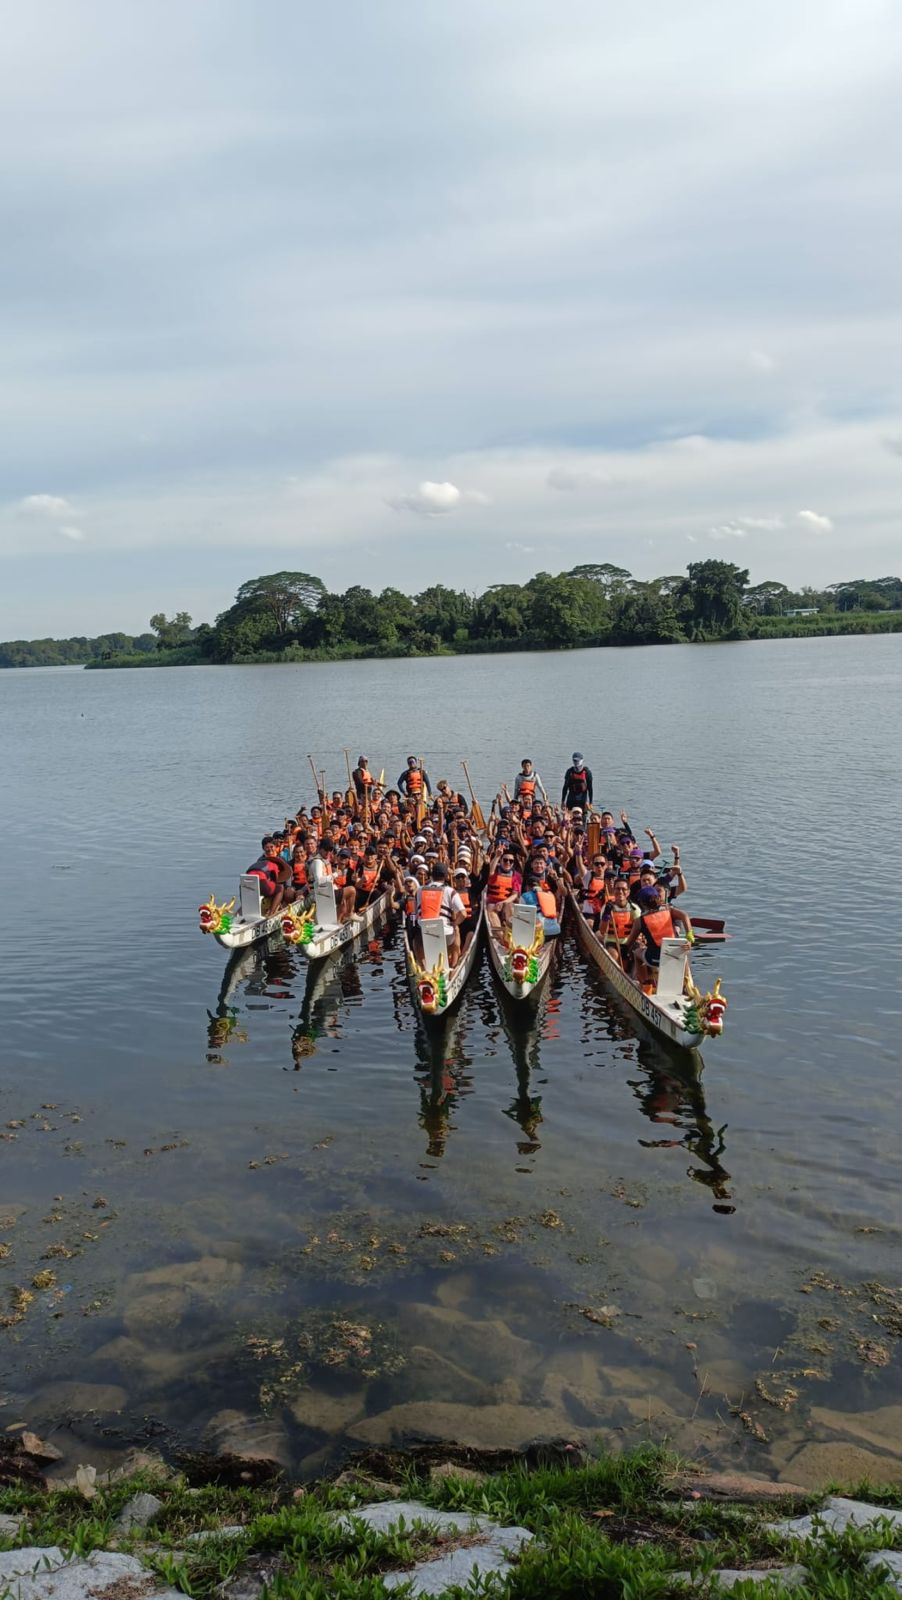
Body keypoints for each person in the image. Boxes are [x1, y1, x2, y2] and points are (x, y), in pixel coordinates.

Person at [623, 884, 692, 987]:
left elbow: (629, 943)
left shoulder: (640, 921)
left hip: (654, 959)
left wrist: (623, 951)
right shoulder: (669, 910)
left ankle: (645, 984)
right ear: (658, 898)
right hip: (675, 954)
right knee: (683, 954)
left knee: (637, 953)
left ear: (642, 903)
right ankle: (686, 985)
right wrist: (689, 938)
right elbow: (685, 916)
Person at [416, 862, 465, 967]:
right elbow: (463, 914)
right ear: (446, 876)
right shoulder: (450, 891)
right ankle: (454, 965)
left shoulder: (419, 890)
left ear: (431, 876)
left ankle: (423, 966)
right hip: (444, 932)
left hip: (424, 931)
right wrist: (455, 923)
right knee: (456, 930)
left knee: (416, 937)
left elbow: (417, 913)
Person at [245, 836, 295, 914]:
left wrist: (288, 886)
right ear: (263, 849)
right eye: (267, 847)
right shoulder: (261, 860)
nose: (269, 849)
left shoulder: (281, 859)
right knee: (279, 888)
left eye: (271, 847)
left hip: (275, 883)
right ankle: (271, 913)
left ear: (275, 847)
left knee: (288, 892)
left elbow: (287, 873)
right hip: (265, 884)